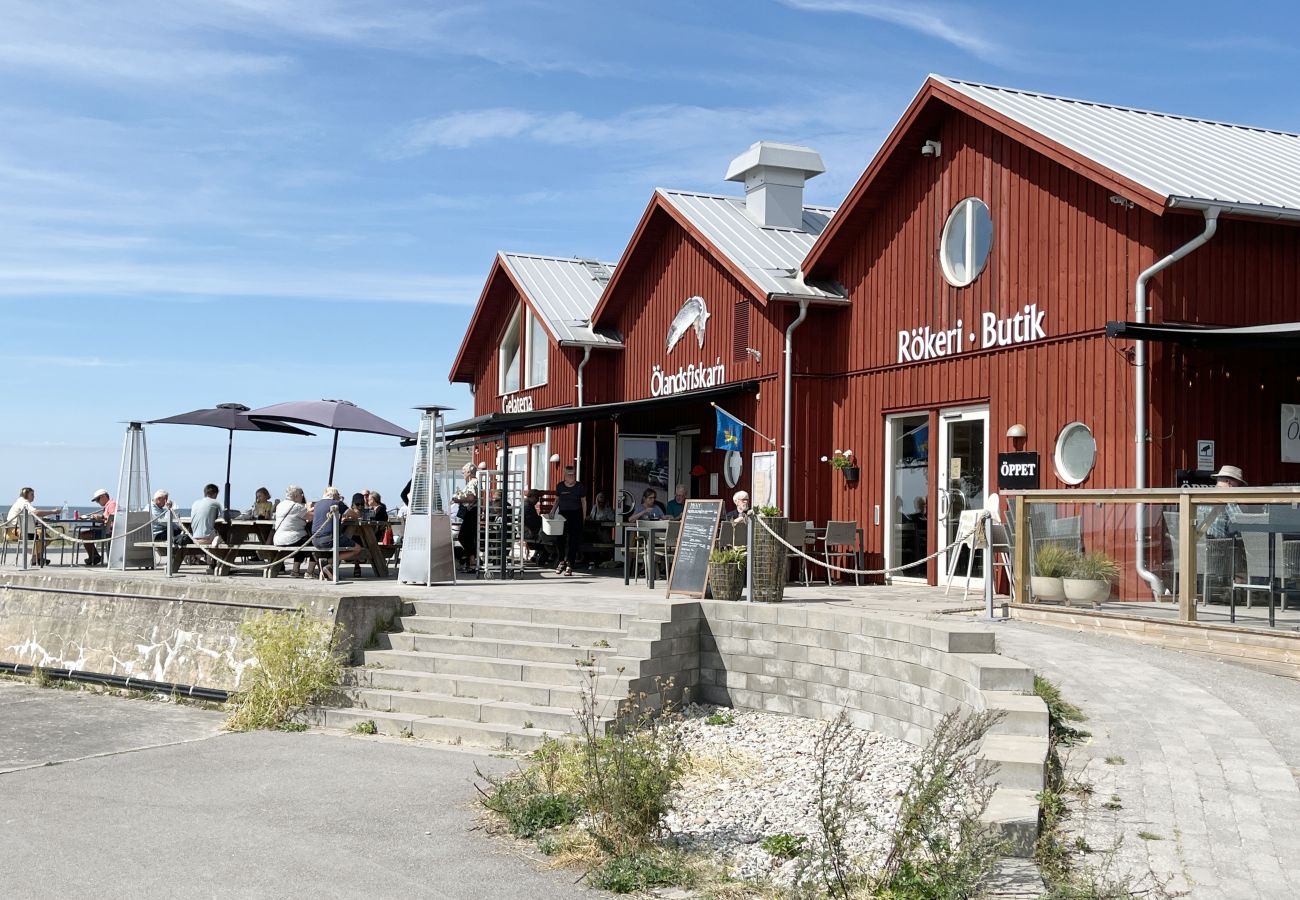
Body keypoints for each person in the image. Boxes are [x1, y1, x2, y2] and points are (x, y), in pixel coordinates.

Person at [311, 486, 361, 580]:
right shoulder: (336, 503)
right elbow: (354, 515)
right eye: (338, 494)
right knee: (357, 548)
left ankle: (328, 570)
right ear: (334, 494)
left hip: (315, 539)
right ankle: (329, 562)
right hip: (329, 538)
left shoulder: (317, 504)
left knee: (339, 545)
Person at [6, 487, 58, 567]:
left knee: (45, 536)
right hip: (15, 531)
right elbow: (35, 512)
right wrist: (52, 512)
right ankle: (35, 558)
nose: (34, 497)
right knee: (41, 534)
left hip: (13, 530)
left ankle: (36, 558)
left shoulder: (20, 502)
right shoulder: (24, 502)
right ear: (26, 494)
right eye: (32, 494)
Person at [553, 465, 587, 576]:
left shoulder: (579, 487)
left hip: (576, 514)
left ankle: (570, 565)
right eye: (569, 475)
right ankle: (561, 561)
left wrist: (584, 517)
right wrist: (552, 511)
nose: (571, 477)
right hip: (563, 514)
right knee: (560, 539)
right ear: (565, 475)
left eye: (573, 474)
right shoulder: (560, 486)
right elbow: (557, 500)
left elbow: (583, 502)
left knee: (573, 541)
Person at [273, 485, 311, 576]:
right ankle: (308, 571)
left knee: (302, 540)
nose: (303, 496)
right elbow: (311, 517)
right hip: (291, 539)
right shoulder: (297, 507)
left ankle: (295, 570)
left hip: (278, 539)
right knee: (312, 543)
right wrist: (310, 508)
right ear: (296, 495)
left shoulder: (280, 505)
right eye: (301, 494)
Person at [188, 483, 225, 575]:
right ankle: (216, 564)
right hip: (207, 538)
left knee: (213, 534)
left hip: (194, 539)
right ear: (215, 494)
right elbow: (225, 516)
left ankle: (211, 562)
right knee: (225, 539)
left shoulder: (195, 503)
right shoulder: (216, 503)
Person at [82, 488, 117, 566]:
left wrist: (101, 517)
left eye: (97, 500)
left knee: (85, 535)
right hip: (106, 529)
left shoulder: (112, 504)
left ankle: (94, 556)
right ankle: (94, 556)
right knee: (85, 534)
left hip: (109, 531)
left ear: (103, 497)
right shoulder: (108, 505)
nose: (98, 502)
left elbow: (115, 517)